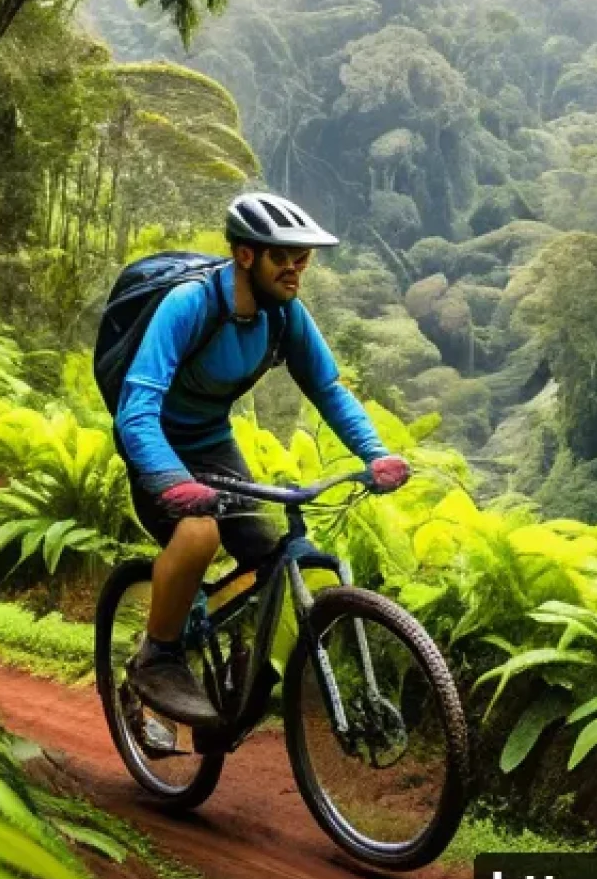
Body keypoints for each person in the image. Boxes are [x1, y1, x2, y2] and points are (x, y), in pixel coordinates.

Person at [113, 191, 410, 726]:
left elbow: (328, 388)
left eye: (303, 259)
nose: (296, 271)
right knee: (200, 534)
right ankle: (156, 655)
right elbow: (137, 408)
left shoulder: (285, 316)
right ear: (246, 255)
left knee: (275, 557)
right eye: (283, 258)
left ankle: (236, 672)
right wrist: (169, 479)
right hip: (156, 443)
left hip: (211, 442)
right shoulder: (189, 304)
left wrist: (376, 454)